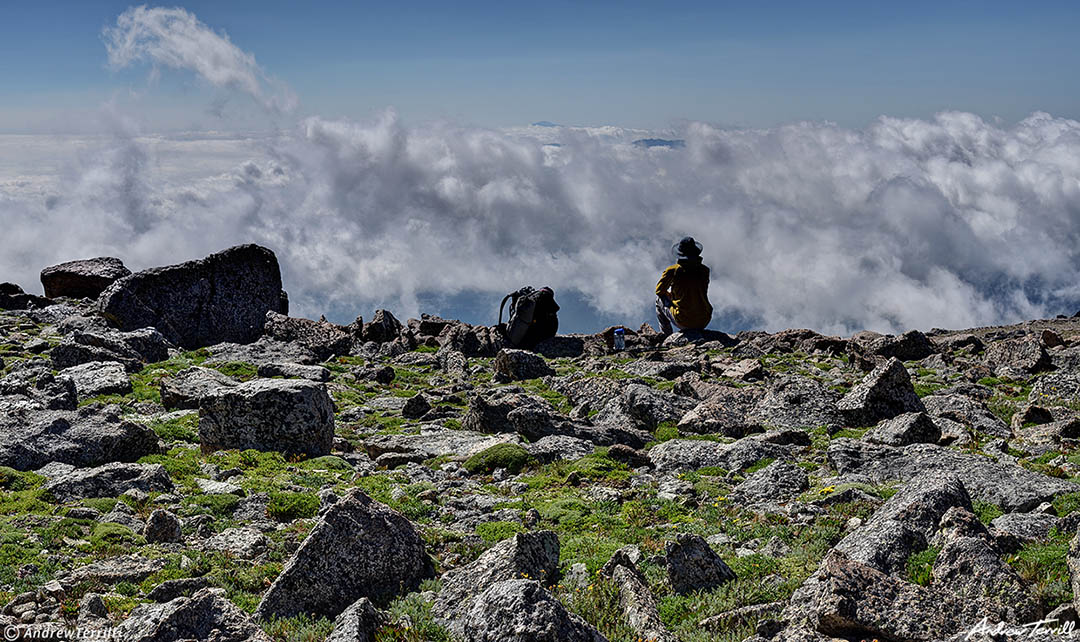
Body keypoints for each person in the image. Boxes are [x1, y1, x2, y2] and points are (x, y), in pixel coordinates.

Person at [655, 236, 713, 335]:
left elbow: (659, 291)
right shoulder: (704, 270)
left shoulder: (673, 271)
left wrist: (670, 295)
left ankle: (666, 336)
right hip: (704, 319)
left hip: (684, 320)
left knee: (659, 300)